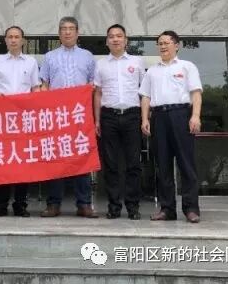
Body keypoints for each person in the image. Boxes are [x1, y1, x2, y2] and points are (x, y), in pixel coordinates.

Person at [140, 30, 203, 224]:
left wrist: (195, 116)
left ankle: (191, 209)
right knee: (162, 165)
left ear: (176, 45)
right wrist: (144, 119)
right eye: (160, 43)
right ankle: (167, 209)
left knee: (186, 164)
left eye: (166, 43)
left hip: (181, 115)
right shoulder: (152, 71)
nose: (163, 46)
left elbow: (196, 93)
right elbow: (145, 97)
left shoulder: (187, 66)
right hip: (158, 117)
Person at [39, 16, 98, 218]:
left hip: (80, 115)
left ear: (77, 32)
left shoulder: (88, 56)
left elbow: (93, 86)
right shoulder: (49, 57)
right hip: (57, 115)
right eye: (63, 29)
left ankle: (84, 204)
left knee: (82, 158)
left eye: (71, 28)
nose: (67, 32)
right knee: (56, 158)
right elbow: (44, 85)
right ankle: (53, 203)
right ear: (59, 33)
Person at [0, 25, 41, 217]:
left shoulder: (31, 62)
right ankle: (1, 204)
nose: (14, 40)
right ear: (5, 40)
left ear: (23, 40)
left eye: (17, 37)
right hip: (3, 118)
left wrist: (34, 103)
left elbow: (36, 88)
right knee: (3, 161)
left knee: (23, 162)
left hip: (24, 118)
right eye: (10, 37)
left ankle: (20, 205)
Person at [93, 24, 146, 220]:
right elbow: (98, 93)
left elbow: (144, 92)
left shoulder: (137, 62)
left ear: (126, 40)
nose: (115, 39)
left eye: (119, 36)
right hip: (108, 116)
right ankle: (114, 206)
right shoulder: (100, 64)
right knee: (111, 164)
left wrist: (145, 118)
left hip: (132, 115)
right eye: (111, 36)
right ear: (107, 41)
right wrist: (97, 120)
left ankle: (133, 206)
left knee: (133, 164)